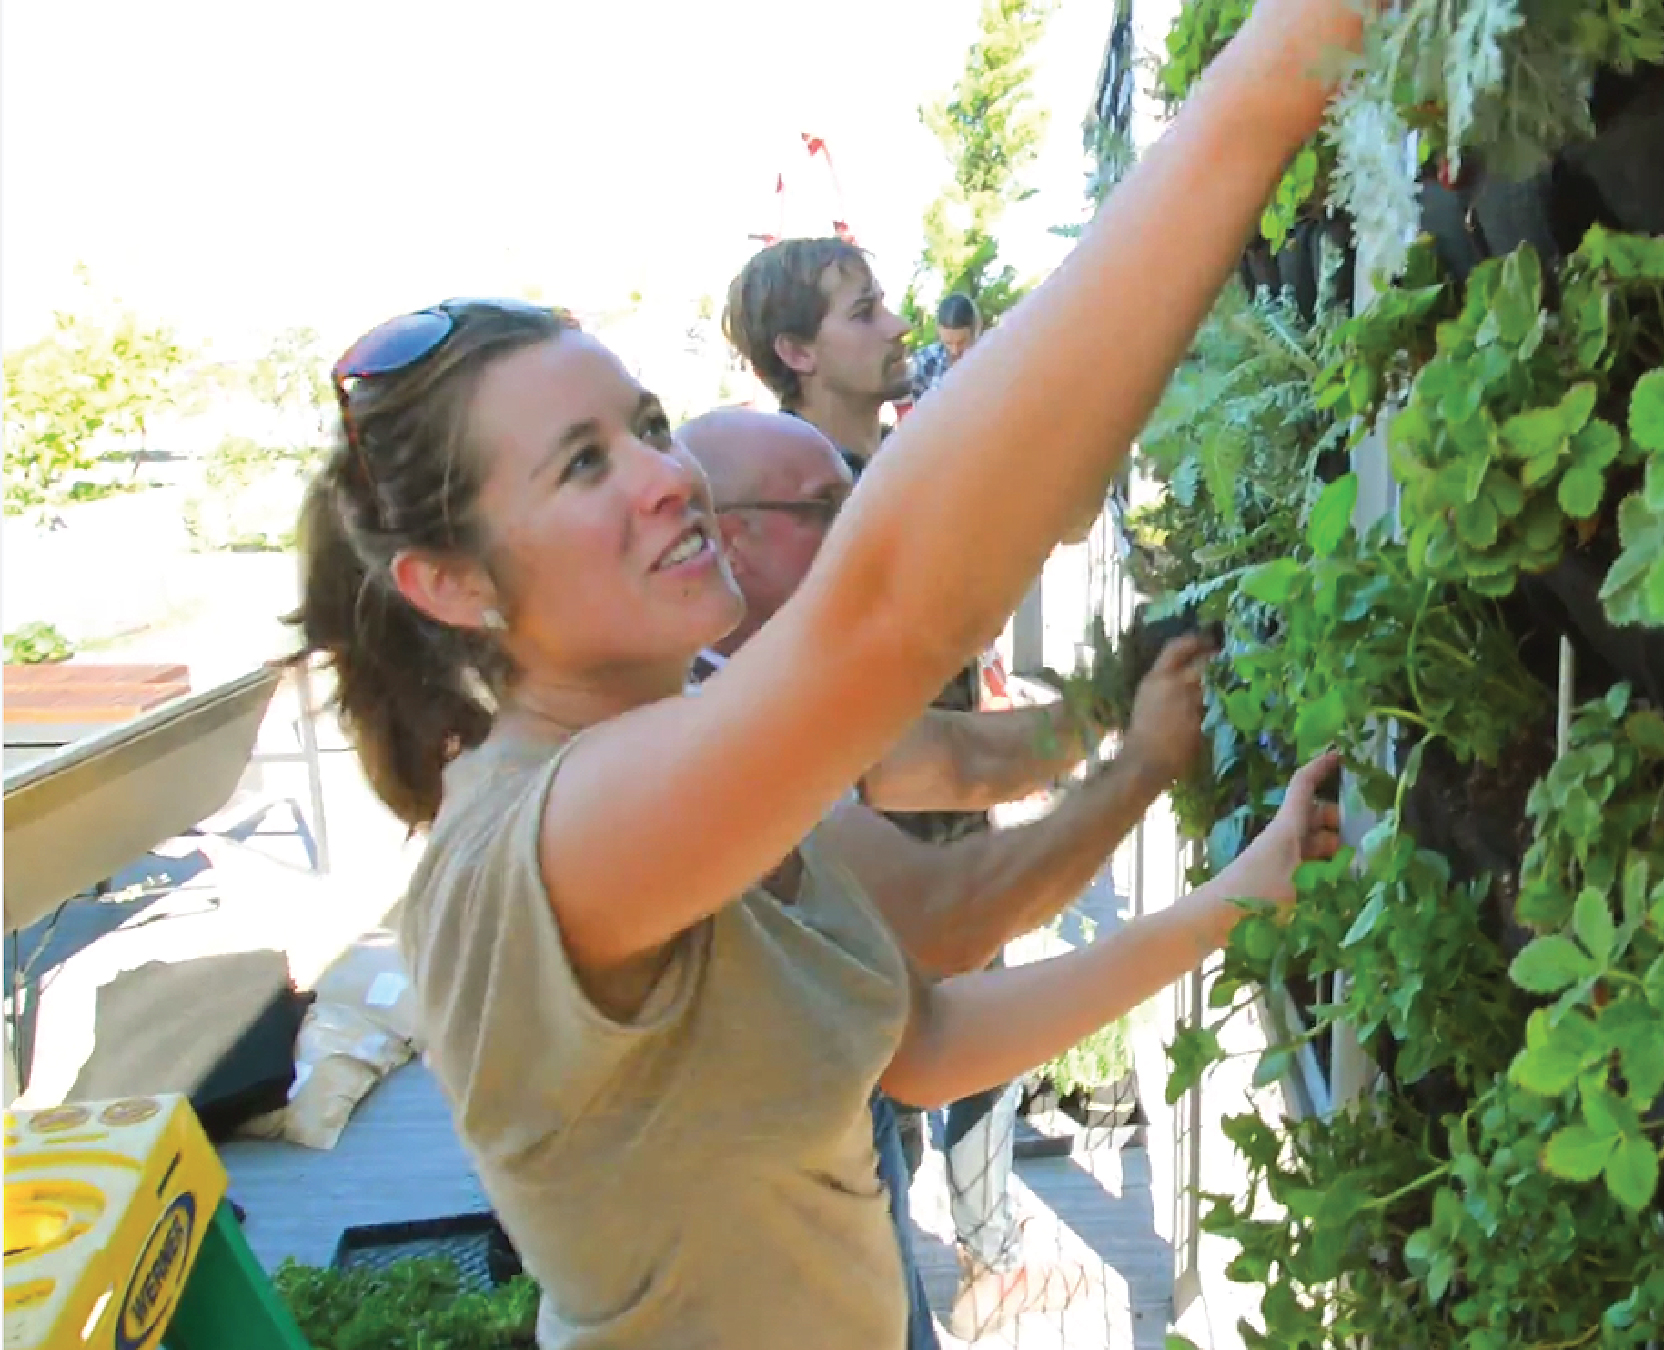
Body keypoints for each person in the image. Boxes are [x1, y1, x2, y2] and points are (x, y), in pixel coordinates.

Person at [287, 1, 1362, 1343]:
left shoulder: (703, 784)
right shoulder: (548, 844)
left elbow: (932, 1040)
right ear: (450, 584)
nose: (666, 480)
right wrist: (1279, 66)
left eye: (646, 427)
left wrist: (1232, 900)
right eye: (582, 464)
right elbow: (893, 611)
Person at [682, 406, 1163, 1339]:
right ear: (728, 539)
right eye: (828, 506)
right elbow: (950, 921)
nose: (858, 526)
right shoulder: (711, 720)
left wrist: (1113, 701)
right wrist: (1146, 765)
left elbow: (958, 760)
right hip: (762, 1257)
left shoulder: (763, 683)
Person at [906, 292, 983, 412]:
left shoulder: (991, 360)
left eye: (962, 342)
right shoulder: (924, 362)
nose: (955, 350)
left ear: (975, 331)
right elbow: (920, 413)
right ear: (938, 332)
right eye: (948, 343)